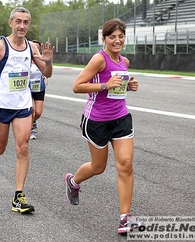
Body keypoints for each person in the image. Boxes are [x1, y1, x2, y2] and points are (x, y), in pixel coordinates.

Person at [0, 7, 54, 213]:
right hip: (0, 104)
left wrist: (48, 61)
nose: (22, 26)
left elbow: (46, 73)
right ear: (10, 23)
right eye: (18, 21)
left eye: (25, 22)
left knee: (23, 147)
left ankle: (18, 196)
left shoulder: (32, 47)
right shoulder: (0, 46)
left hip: (23, 105)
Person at [63, 18, 140, 234]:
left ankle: (125, 218)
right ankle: (73, 181)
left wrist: (129, 85)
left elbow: (119, 88)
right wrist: (105, 85)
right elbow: (77, 86)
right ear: (104, 39)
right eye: (112, 37)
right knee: (98, 167)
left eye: (121, 36)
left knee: (125, 164)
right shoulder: (99, 59)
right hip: (96, 120)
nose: (117, 41)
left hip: (121, 118)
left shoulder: (124, 62)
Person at [29, 40, 48, 140]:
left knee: (39, 112)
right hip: (27, 87)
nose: (34, 48)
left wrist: (45, 77)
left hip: (39, 87)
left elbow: (45, 70)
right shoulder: (26, 59)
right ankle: (30, 129)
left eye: (36, 47)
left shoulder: (41, 60)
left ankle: (32, 121)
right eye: (32, 46)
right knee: (31, 110)